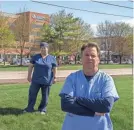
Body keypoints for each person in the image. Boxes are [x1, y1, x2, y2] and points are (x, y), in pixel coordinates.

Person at [59, 42, 119, 130]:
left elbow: (106, 105)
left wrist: (76, 99)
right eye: (86, 55)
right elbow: (66, 104)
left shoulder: (106, 79)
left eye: (93, 55)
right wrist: (93, 112)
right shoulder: (72, 78)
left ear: (98, 59)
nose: (89, 58)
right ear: (81, 59)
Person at [24, 42, 57, 114]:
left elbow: (54, 68)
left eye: (45, 48)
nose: (43, 49)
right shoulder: (35, 57)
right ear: (40, 49)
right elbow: (30, 66)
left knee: (45, 96)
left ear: (47, 49)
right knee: (32, 94)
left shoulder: (52, 58)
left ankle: (42, 109)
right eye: (42, 48)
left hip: (47, 80)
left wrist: (55, 77)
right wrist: (29, 75)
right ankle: (29, 108)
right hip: (36, 80)